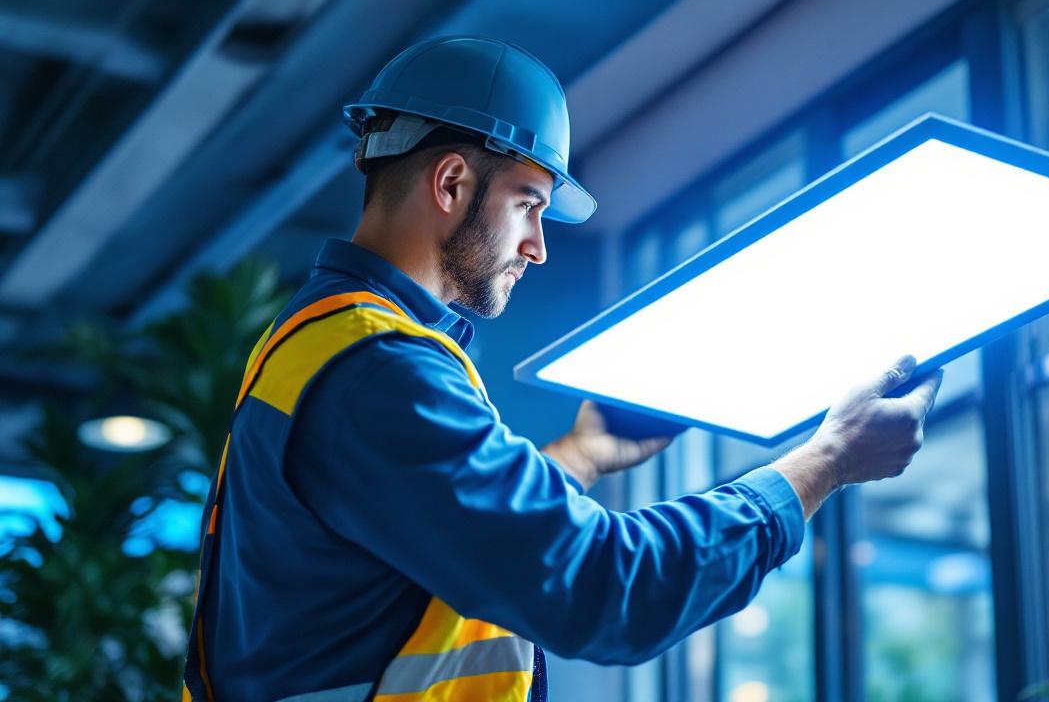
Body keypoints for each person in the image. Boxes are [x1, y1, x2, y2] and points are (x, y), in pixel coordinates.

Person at [182, 36, 942, 702]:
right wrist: (827, 461)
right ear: (450, 184)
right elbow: (605, 590)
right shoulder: (378, 371)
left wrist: (583, 456)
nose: (538, 246)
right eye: (529, 204)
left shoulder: (323, 345)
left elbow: (432, 537)